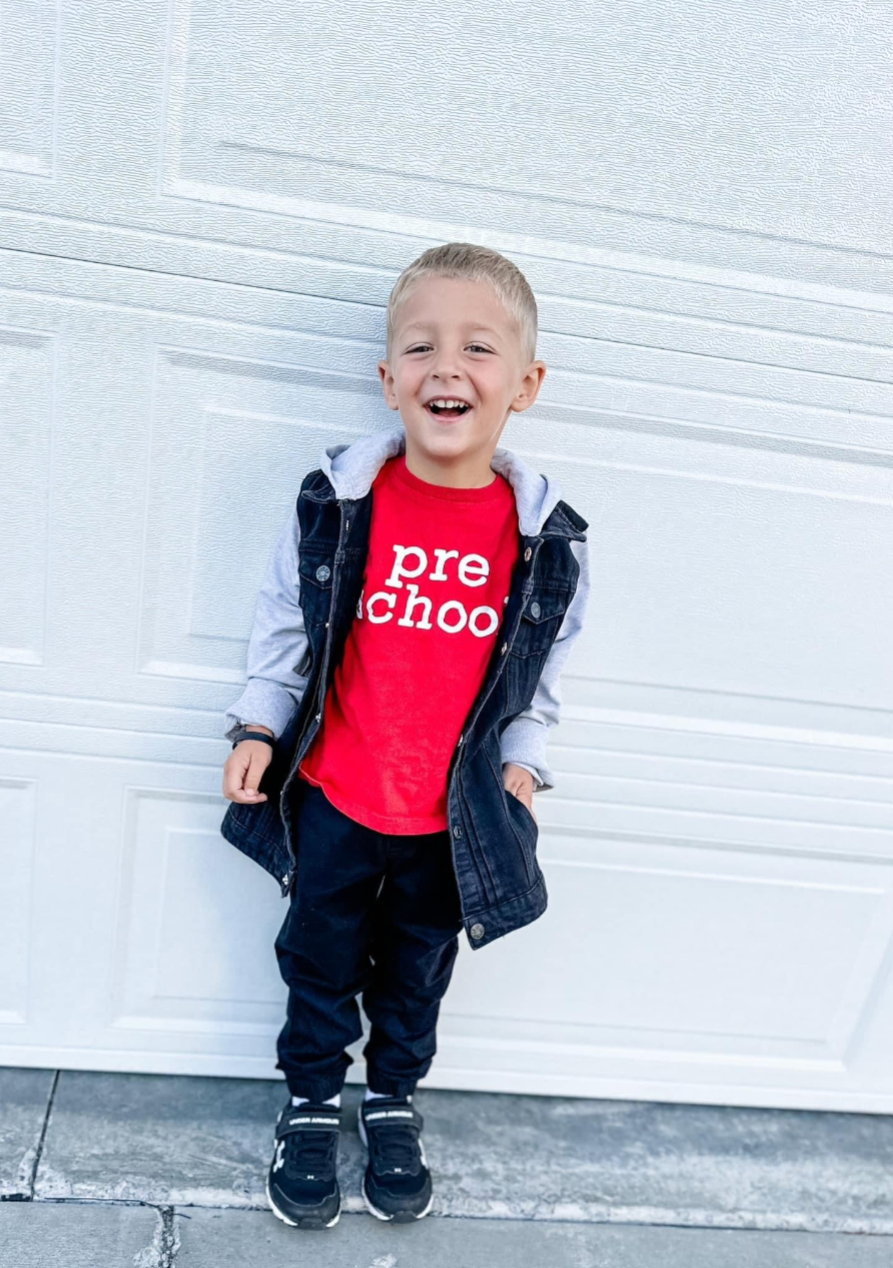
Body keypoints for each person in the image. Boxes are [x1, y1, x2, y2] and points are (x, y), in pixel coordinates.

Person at [220, 241, 591, 1229]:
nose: (445, 367)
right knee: (317, 961)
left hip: (449, 824)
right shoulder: (343, 505)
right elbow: (286, 621)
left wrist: (523, 763)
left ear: (526, 384)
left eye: (477, 347)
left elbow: (542, 672)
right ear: (389, 380)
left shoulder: (545, 542)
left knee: (417, 973)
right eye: (420, 347)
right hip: (337, 798)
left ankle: (391, 1098)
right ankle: (310, 1101)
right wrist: (259, 721)